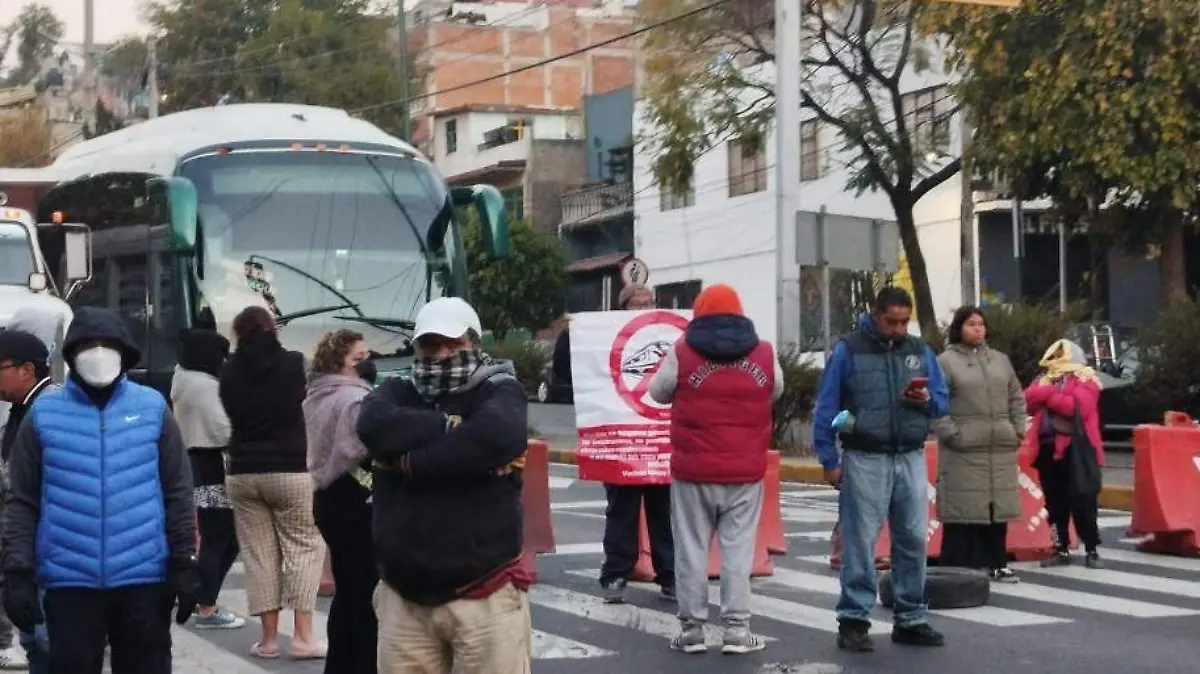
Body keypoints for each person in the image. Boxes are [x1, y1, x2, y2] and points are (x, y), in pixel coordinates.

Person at [1, 306, 199, 674]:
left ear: (124, 350)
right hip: (68, 582)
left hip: (143, 581)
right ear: (71, 353)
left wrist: (185, 563)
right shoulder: (44, 416)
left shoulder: (152, 409)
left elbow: (177, 492)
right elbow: (22, 500)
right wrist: (17, 572)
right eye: (87, 344)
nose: (97, 352)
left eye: (107, 343)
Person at [357, 297, 532, 674]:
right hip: (403, 598)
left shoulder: (499, 390)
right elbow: (373, 427)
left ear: (474, 342)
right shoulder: (398, 391)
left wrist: (407, 462)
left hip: (484, 592)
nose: (442, 354)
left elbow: (494, 437)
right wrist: (445, 426)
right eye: (432, 345)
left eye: (454, 343)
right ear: (417, 347)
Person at [647, 284, 782, 655]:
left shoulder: (682, 352)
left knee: (691, 550)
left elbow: (657, 392)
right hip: (745, 471)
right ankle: (737, 632)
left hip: (692, 471)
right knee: (737, 552)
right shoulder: (765, 353)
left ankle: (692, 630)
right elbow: (775, 390)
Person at [812, 287, 949, 653]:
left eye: (905, 322)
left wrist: (927, 400)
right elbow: (827, 408)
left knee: (913, 539)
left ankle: (911, 618)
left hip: (909, 455)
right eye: (892, 322)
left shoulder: (920, 352)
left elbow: (941, 401)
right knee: (860, 542)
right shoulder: (849, 350)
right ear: (875, 314)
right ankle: (854, 620)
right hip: (864, 457)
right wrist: (829, 459)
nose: (899, 329)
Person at [219, 305, 327, 660]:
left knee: (260, 555)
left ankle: (267, 641)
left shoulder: (228, 371)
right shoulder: (296, 363)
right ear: (272, 329)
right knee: (302, 548)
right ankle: (303, 637)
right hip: (291, 468)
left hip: (243, 472)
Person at [932, 306, 1027, 582]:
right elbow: (937, 404)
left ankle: (998, 563)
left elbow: (1016, 396)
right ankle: (957, 569)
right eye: (971, 324)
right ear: (959, 327)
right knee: (963, 512)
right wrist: (952, 434)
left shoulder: (1000, 360)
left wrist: (1017, 430)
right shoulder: (946, 362)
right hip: (963, 451)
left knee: (996, 510)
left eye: (981, 324)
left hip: (999, 449)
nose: (978, 329)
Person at [305, 330, 377, 673]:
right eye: (358, 359)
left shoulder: (316, 394)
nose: (368, 364)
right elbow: (358, 448)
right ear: (339, 363)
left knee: (348, 590)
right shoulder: (352, 399)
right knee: (365, 593)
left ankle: (340, 664)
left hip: (327, 497)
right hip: (356, 499)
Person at [599, 282, 675, 603]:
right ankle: (616, 573)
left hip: (658, 441)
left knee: (662, 511)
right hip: (623, 440)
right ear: (622, 308)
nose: (643, 308)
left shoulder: (666, 339)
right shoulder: (603, 339)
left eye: (648, 302)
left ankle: (670, 575)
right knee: (622, 511)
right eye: (636, 304)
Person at [1, 305, 66, 674]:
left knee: (49, 641)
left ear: (27, 370)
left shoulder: (51, 408)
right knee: (36, 642)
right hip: (25, 552)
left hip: (49, 550)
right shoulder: (22, 407)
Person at [171, 326, 246, 629]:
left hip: (196, 465)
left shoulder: (183, 380)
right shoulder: (204, 387)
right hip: (211, 465)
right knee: (221, 536)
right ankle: (206, 606)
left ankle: (200, 593)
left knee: (221, 535)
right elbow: (224, 428)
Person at [1021, 339, 1105, 568]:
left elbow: (1078, 407)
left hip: (1077, 451)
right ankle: (1060, 548)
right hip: (1047, 450)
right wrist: (1052, 391)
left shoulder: (1086, 378)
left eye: (1062, 354)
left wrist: (1047, 395)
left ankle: (1091, 549)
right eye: (1054, 353)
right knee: (1054, 504)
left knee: (1083, 500)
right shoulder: (1044, 379)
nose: (1057, 359)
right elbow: (1026, 400)